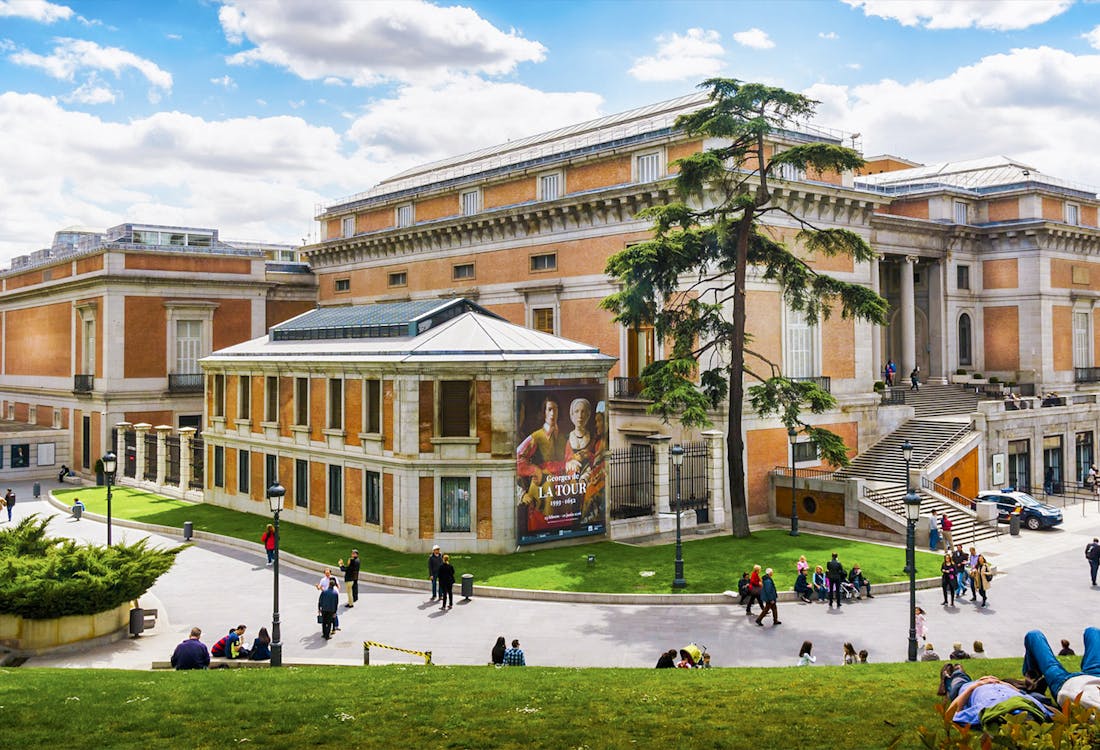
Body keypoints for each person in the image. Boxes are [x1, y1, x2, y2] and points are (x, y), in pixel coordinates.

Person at [939, 663, 1052, 729]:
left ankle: (955, 673)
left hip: (969, 688)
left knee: (957, 682)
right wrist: (1001, 683)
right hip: (1000, 686)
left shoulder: (987, 709)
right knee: (1035, 695)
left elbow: (953, 712)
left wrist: (975, 686)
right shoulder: (1029, 705)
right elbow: (1020, 692)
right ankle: (957, 671)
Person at [516, 396, 568, 530]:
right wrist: (535, 470)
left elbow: (569, 458)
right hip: (543, 485)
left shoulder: (562, 437)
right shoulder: (536, 436)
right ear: (543, 412)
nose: (552, 413)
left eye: (555, 409)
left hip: (561, 484)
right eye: (549, 409)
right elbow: (518, 457)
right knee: (543, 524)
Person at [1023, 628, 1100, 709]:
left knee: (1033, 635)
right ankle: (1032, 681)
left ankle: (1032, 681)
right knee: (1093, 631)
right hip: (1095, 677)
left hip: (1065, 684)